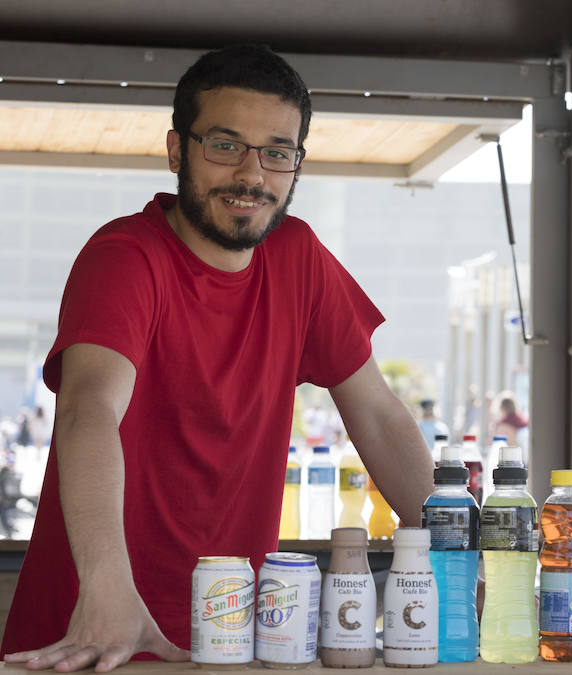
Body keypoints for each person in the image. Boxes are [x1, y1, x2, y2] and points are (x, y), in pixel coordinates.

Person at [1, 44, 434, 672]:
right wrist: (106, 587)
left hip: (238, 642)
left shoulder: (300, 256)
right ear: (178, 150)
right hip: (95, 634)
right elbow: (87, 410)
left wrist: (464, 555)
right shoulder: (125, 256)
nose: (252, 175)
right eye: (225, 145)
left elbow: (377, 414)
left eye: (277, 153)